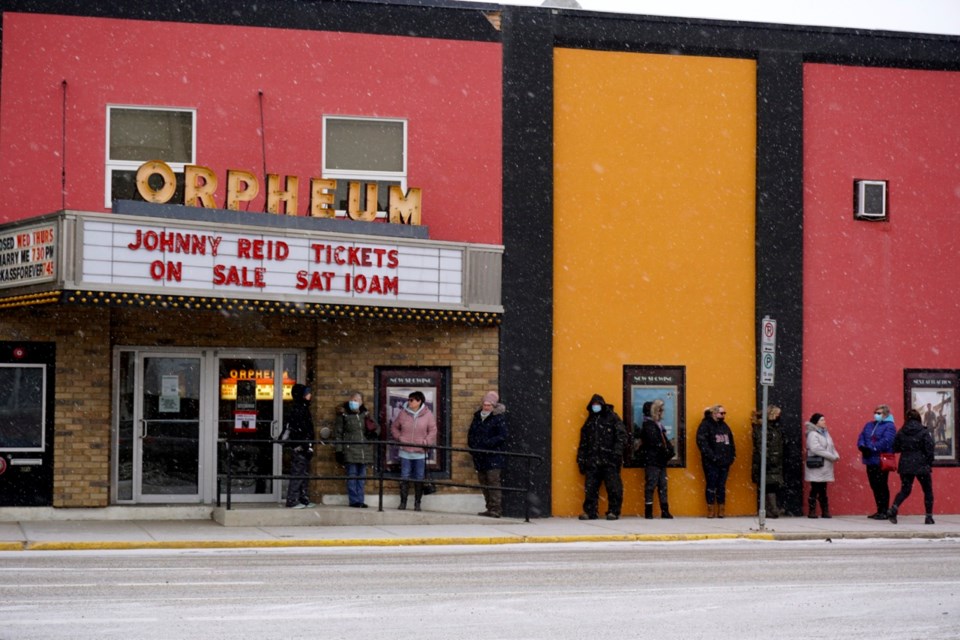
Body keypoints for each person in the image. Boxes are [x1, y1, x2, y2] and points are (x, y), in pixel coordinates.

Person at [576, 393, 628, 521]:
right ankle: (590, 511)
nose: (595, 407)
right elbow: (583, 443)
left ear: (602, 405)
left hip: (609, 460)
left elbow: (622, 436)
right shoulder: (589, 421)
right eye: (593, 405)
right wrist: (581, 460)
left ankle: (613, 511)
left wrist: (616, 454)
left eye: (598, 405)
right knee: (590, 488)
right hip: (593, 461)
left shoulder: (612, 418)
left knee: (614, 487)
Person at [390, 391, 437, 511]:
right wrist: (399, 438)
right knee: (404, 476)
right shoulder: (403, 413)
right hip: (405, 451)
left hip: (420, 452)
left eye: (412, 400)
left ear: (419, 401)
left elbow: (433, 430)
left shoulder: (428, 415)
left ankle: (417, 503)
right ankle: (403, 503)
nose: (409, 402)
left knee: (419, 477)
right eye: (409, 399)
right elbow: (394, 427)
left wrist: (426, 442)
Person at [887, 409, 935, 525]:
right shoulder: (924, 431)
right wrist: (928, 462)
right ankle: (928, 517)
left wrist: (906, 449)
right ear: (918, 418)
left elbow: (895, 448)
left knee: (905, 490)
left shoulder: (902, 431)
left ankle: (894, 507)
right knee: (927, 490)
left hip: (906, 463)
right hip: (921, 464)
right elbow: (930, 448)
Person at [333, 390, 379, 508]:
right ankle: (354, 500)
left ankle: (360, 499)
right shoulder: (343, 415)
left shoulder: (366, 414)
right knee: (352, 476)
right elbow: (338, 434)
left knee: (362, 477)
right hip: (350, 450)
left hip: (364, 450)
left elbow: (376, 428)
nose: (354, 402)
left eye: (356, 400)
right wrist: (339, 450)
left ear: (361, 402)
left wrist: (373, 434)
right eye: (352, 400)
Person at [467, 390, 508, 518]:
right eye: (485, 404)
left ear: (494, 406)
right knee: (484, 483)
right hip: (479, 456)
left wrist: (487, 443)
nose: (486, 407)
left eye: (489, 405)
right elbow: (471, 433)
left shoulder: (498, 418)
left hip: (493, 456)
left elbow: (502, 436)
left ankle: (496, 509)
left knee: (493, 482)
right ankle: (489, 507)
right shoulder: (477, 417)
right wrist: (473, 446)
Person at [856, 403, 896, 519]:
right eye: (875, 413)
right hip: (870, 460)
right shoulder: (869, 425)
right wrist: (862, 446)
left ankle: (884, 510)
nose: (876, 415)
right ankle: (879, 509)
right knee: (874, 485)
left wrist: (872, 448)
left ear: (885, 414)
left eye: (879, 413)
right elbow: (862, 436)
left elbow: (886, 441)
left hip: (881, 460)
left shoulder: (890, 426)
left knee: (882, 485)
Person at [696, 404, 736, 518]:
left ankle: (721, 509)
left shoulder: (725, 426)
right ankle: (710, 509)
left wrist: (732, 456)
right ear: (714, 413)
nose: (723, 415)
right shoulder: (705, 426)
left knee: (721, 486)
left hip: (724, 461)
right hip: (711, 463)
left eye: (724, 413)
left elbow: (731, 442)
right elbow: (702, 444)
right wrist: (713, 457)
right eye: (721, 413)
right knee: (711, 485)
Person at [281, 383, 316, 509]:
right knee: (298, 472)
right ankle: (292, 499)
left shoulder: (304, 408)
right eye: (307, 393)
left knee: (304, 473)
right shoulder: (298, 409)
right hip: (300, 446)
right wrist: (303, 444)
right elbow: (297, 430)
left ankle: (303, 498)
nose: (310, 395)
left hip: (305, 445)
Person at [638, 399, 673, 519]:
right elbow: (654, 443)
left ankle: (664, 510)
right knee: (652, 485)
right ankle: (649, 511)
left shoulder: (657, 426)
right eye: (659, 410)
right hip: (653, 461)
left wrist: (668, 450)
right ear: (653, 412)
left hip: (659, 460)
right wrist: (666, 451)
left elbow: (662, 443)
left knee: (662, 485)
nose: (661, 413)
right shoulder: (649, 425)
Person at [751, 405, 784, 518]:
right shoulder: (763, 428)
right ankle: (771, 510)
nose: (779, 416)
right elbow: (762, 446)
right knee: (768, 485)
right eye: (777, 414)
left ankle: (770, 510)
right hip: (767, 462)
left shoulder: (773, 428)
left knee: (770, 485)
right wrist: (769, 459)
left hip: (773, 461)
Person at [805, 413, 839, 518]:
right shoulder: (813, 434)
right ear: (816, 422)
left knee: (823, 489)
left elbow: (831, 446)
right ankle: (812, 511)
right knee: (815, 488)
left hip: (825, 466)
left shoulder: (825, 433)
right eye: (821, 420)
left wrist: (836, 455)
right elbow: (815, 449)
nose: (824, 422)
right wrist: (831, 456)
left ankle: (825, 511)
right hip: (817, 465)